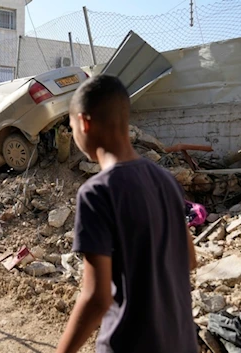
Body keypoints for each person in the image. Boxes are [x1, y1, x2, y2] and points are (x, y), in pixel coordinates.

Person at [56, 75, 198, 353]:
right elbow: (190, 259)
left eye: (71, 127)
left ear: (84, 123)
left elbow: (97, 298)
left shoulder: (96, 193)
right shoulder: (166, 180)